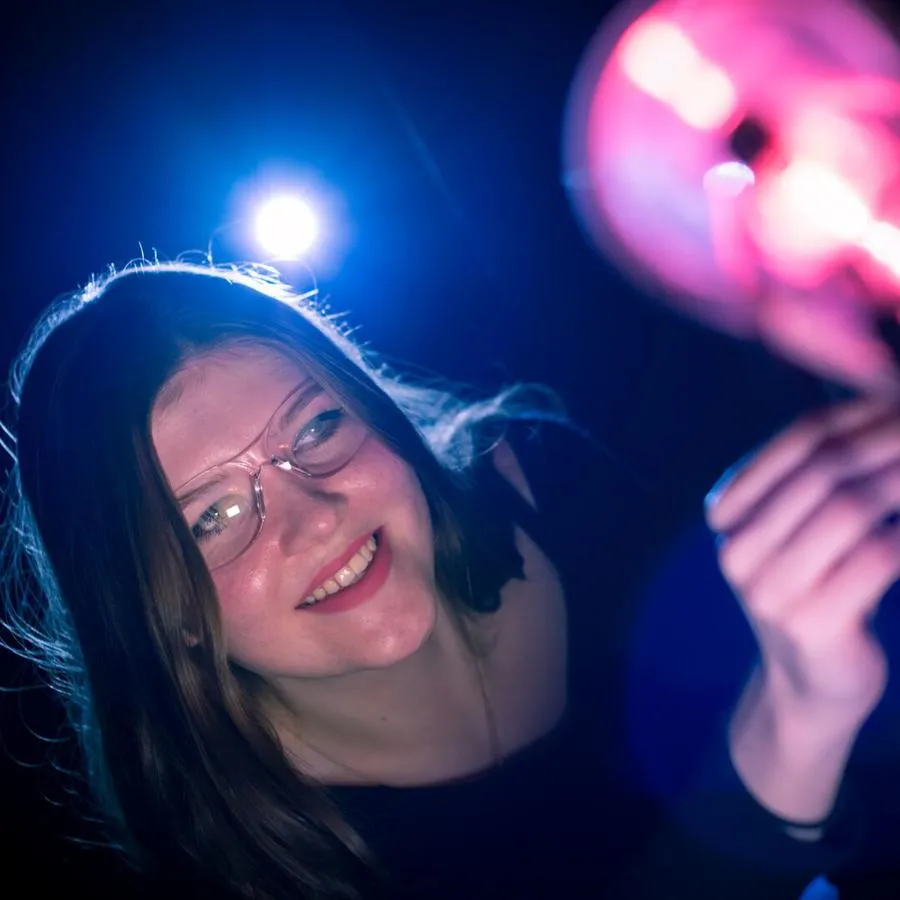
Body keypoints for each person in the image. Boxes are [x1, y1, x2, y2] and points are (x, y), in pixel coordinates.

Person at [0, 259, 874, 899]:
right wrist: (791, 729)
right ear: (156, 613)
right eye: (212, 518)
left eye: (314, 429)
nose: (316, 516)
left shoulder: (550, 473)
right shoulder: (222, 875)